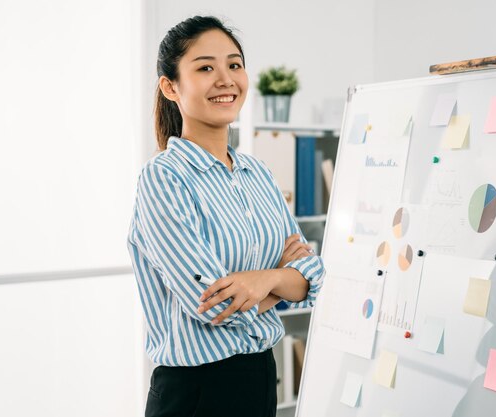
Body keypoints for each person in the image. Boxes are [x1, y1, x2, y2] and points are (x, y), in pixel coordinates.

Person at [127, 15, 325, 417]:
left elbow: (313, 277)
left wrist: (262, 280)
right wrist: (282, 281)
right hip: (196, 392)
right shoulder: (163, 178)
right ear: (170, 87)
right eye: (205, 68)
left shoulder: (259, 174)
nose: (226, 79)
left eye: (234, 65)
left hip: (259, 377)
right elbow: (213, 304)